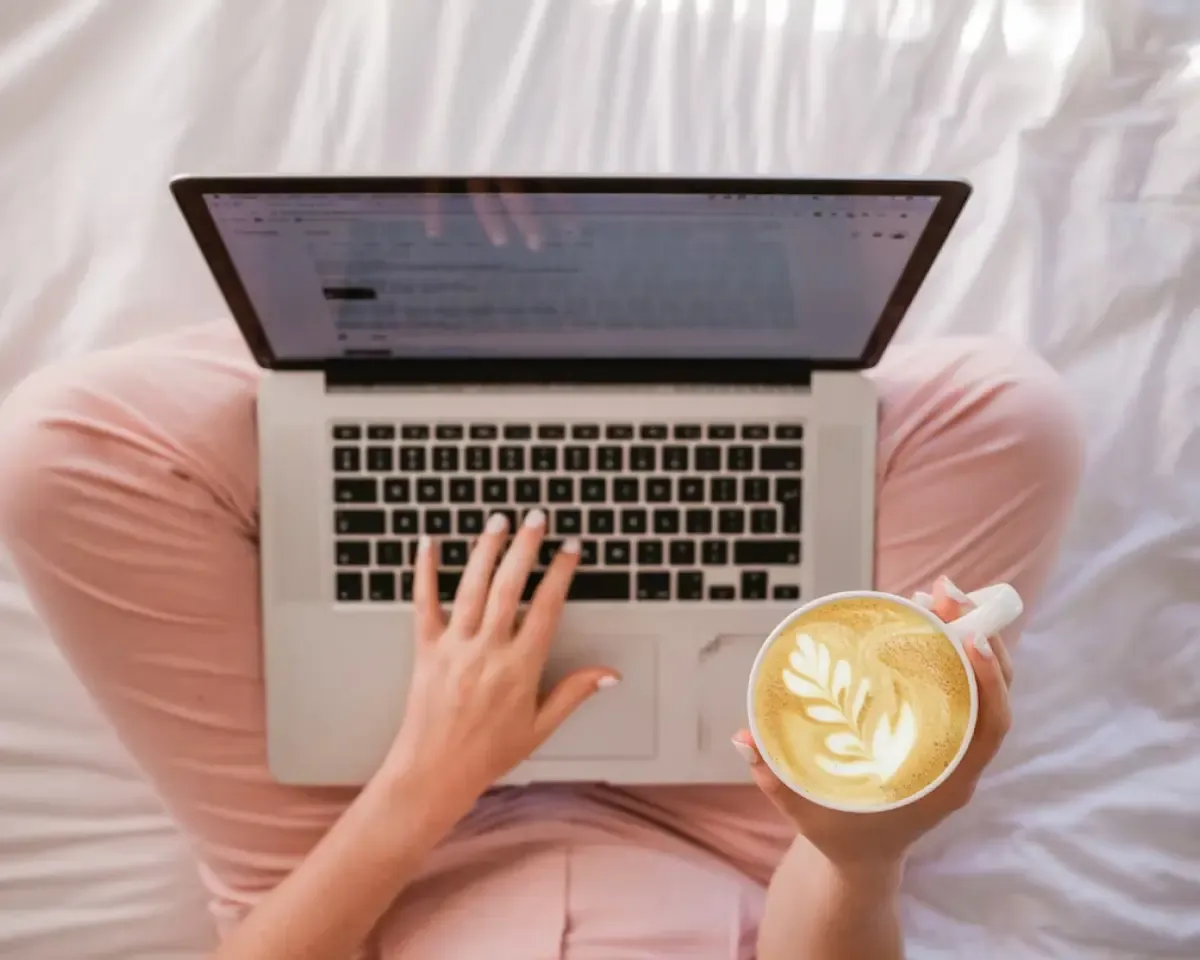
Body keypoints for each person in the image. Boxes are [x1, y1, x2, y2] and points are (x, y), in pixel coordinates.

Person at [0, 319, 1082, 959]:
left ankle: (419, 339)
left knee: (60, 453)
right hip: (747, 846)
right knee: (1010, 416)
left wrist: (424, 782)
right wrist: (860, 848)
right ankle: (640, 341)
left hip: (373, 863)